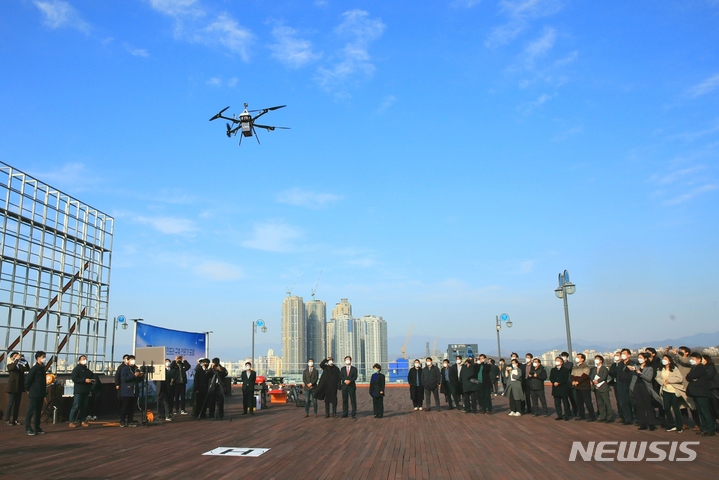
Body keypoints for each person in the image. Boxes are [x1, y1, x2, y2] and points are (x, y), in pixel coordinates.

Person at [686, 352, 716, 436]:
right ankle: (704, 428)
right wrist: (692, 378)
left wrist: (692, 377)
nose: (691, 360)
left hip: (702, 393)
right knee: (700, 411)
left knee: (705, 411)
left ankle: (710, 429)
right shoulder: (694, 368)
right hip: (696, 393)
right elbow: (688, 376)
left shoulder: (701, 368)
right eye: (691, 359)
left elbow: (691, 376)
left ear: (699, 360)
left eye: (693, 359)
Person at [629, 352, 660, 431]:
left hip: (645, 387)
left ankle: (652, 424)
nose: (639, 359)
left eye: (641, 357)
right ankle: (643, 423)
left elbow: (649, 379)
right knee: (639, 406)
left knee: (648, 406)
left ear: (645, 359)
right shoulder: (637, 367)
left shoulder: (649, 368)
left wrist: (640, 373)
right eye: (638, 357)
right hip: (637, 387)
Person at [656, 354, 685, 433]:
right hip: (665, 390)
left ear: (669, 361)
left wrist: (669, 380)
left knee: (676, 408)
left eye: (665, 358)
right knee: (667, 408)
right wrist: (663, 382)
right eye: (663, 358)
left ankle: (679, 426)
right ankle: (671, 424)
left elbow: (680, 378)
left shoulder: (674, 368)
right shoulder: (660, 369)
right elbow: (657, 378)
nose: (663, 360)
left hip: (674, 391)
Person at [24, 351, 47, 435]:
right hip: (34, 393)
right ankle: (28, 428)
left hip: (41, 393)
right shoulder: (35, 369)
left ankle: (37, 427)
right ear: (38, 358)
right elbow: (28, 380)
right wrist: (28, 389)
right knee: (30, 411)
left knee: (38, 411)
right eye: (43, 357)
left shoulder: (42, 368)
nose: (44, 359)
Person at [68, 354, 94, 427]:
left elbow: (92, 375)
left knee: (84, 406)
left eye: (85, 359)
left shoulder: (87, 370)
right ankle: (72, 421)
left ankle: (82, 420)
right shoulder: (76, 369)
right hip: (79, 391)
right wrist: (84, 380)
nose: (84, 360)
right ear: (79, 361)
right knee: (76, 406)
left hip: (86, 390)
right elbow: (74, 379)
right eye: (83, 359)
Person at [5, 351, 29, 426]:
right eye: (15, 356)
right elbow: (11, 368)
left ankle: (15, 419)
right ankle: (7, 419)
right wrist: (16, 360)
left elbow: (27, 369)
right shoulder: (10, 364)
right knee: (10, 403)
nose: (17, 357)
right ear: (12, 357)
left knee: (17, 404)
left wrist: (25, 361)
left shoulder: (20, 365)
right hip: (12, 386)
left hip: (19, 386)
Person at [119, 354, 143, 427]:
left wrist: (141, 376)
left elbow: (138, 380)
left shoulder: (136, 368)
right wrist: (134, 375)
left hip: (134, 391)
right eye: (131, 360)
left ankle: (130, 420)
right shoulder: (125, 369)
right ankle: (122, 421)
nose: (133, 361)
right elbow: (124, 379)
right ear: (128, 361)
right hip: (127, 391)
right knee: (125, 407)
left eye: (134, 360)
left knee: (132, 408)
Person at [571, 353, 596, 421]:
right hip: (577, 387)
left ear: (582, 359)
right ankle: (581, 415)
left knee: (588, 402)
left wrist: (578, 382)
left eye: (578, 357)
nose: (577, 358)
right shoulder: (575, 367)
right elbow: (572, 375)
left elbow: (585, 376)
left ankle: (592, 416)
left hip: (584, 387)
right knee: (579, 402)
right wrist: (573, 381)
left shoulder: (586, 366)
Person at [616, 348, 636, 425]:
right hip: (621, 385)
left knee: (632, 402)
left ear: (629, 355)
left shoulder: (632, 363)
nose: (623, 355)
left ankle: (635, 417)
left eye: (624, 353)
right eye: (622, 354)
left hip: (630, 384)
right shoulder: (620, 364)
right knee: (623, 403)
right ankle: (627, 418)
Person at [591, 355, 612, 423]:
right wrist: (593, 381)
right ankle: (602, 416)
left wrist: (598, 381)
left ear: (601, 361)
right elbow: (591, 376)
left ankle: (609, 417)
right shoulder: (594, 369)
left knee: (607, 402)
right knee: (599, 403)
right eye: (595, 359)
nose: (596, 360)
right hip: (596, 388)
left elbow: (604, 376)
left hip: (603, 387)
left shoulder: (604, 368)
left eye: (597, 359)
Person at [608, 351, 624, 421]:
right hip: (615, 384)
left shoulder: (623, 364)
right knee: (618, 400)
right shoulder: (614, 365)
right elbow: (611, 372)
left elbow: (618, 373)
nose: (616, 356)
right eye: (615, 355)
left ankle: (626, 415)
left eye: (617, 355)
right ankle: (620, 414)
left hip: (622, 384)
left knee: (623, 400)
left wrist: (615, 373)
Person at [114, 354, 130, 419]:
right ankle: (120, 414)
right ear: (124, 360)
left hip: (129, 387)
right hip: (121, 386)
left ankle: (127, 414)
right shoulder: (121, 367)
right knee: (120, 400)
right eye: (126, 359)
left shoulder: (131, 367)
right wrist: (117, 384)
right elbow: (117, 376)